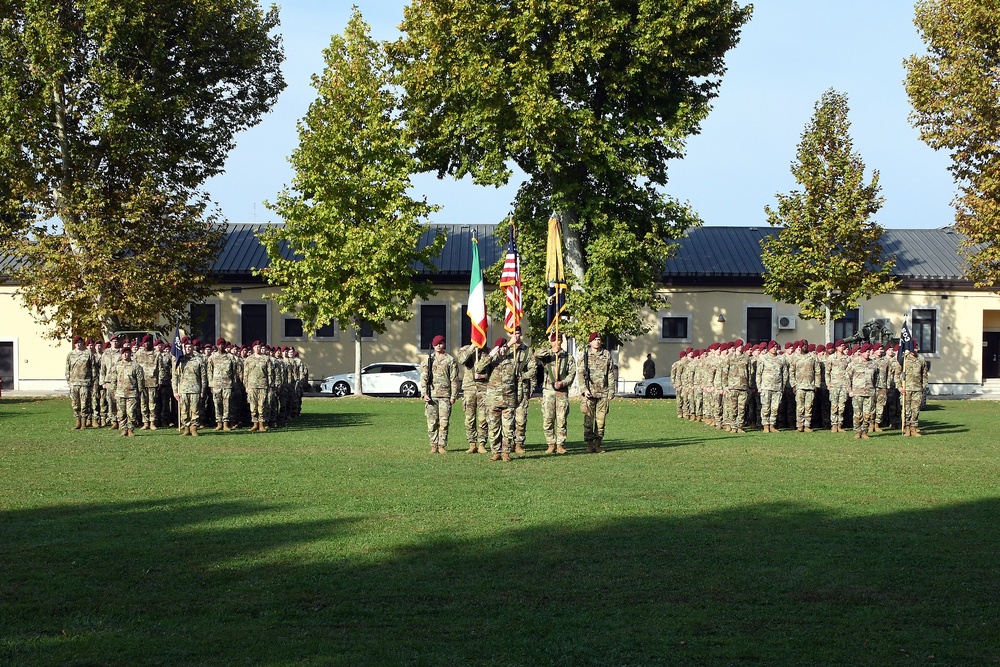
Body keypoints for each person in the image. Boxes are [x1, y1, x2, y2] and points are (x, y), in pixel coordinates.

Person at [475, 337, 519, 461]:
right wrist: (491, 354)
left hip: (508, 400)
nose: (503, 349)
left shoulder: (512, 362)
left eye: (505, 346)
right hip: (493, 401)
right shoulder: (491, 362)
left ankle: (506, 452)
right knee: (494, 428)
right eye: (501, 347)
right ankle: (496, 452)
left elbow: (517, 381)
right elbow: (478, 368)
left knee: (508, 428)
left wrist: (518, 398)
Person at [535, 332, 576, 453]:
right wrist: (551, 350)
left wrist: (563, 383)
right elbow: (536, 354)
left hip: (562, 392)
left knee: (561, 419)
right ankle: (550, 443)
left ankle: (560, 444)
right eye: (554, 341)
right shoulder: (547, 356)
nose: (556, 342)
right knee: (548, 418)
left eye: (558, 340)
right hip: (549, 391)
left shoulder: (568, 357)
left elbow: (572, 374)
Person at [419, 334, 459, 453]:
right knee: (432, 422)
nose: (438, 346)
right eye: (436, 344)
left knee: (444, 422)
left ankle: (442, 445)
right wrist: (424, 393)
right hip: (431, 395)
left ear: (444, 344)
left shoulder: (450, 360)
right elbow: (424, 377)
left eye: (440, 343)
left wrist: (453, 396)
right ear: (433, 345)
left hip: (445, 396)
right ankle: (433, 445)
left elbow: (454, 379)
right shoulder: (428, 360)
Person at [578, 331, 615, 453]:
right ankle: (589, 445)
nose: (597, 342)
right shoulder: (585, 355)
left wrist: (611, 390)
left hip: (603, 392)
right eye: (595, 340)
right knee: (588, 420)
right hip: (589, 393)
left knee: (601, 420)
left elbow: (610, 373)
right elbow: (581, 374)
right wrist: (584, 389)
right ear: (590, 342)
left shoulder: (606, 354)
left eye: (599, 340)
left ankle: (598, 444)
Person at [457, 341, 490, 454]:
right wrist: (472, 348)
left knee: (483, 418)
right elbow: (461, 360)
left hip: (483, 388)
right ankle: (472, 443)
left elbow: (493, 370)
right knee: (469, 418)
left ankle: (482, 443)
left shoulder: (488, 352)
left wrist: (484, 375)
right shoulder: (465, 349)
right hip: (469, 387)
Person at [172, 337, 208, 436]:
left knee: (195, 410)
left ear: (193, 347)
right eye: (186, 347)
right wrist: (175, 391)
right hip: (183, 389)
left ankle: (194, 429)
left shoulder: (199, 360)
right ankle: (186, 428)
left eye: (190, 347)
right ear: (184, 347)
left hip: (195, 388)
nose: (188, 348)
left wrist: (202, 389)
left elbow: (203, 377)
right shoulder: (180, 360)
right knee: (184, 410)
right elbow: (175, 376)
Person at [509, 326, 534, 454]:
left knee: (521, 418)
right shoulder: (505, 349)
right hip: (507, 390)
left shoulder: (527, 351)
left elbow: (533, 369)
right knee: (508, 418)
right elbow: (496, 363)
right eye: (513, 333)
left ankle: (519, 443)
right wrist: (509, 345)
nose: (516, 336)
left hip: (522, 389)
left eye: (518, 333)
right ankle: (508, 443)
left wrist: (522, 376)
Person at [110, 344, 145, 437]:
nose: (125, 355)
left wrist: (140, 392)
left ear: (130, 354)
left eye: (127, 353)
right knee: (121, 413)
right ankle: (124, 429)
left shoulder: (136, 366)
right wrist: (114, 392)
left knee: (131, 412)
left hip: (132, 393)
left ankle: (131, 429)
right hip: (120, 393)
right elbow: (113, 379)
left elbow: (140, 380)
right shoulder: (117, 366)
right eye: (124, 353)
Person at [208, 338, 239, 431]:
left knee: (227, 404)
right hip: (216, 384)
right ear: (217, 346)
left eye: (222, 344)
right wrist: (211, 384)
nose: (221, 346)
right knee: (217, 404)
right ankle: (219, 423)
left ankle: (226, 423)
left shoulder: (230, 357)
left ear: (225, 346)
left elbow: (234, 372)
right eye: (219, 344)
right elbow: (209, 371)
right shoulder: (212, 357)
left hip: (227, 384)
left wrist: (233, 383)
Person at [66, 336, 96, 430]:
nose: (78, 344)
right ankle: (77, 422)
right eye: (76, 343)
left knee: (84, 403)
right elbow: (67, 368)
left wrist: (93, 380)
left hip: (85, 382)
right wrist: (68, 381)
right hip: (74, 383)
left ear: (83, 343)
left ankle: (84, 423)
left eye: (80, 342)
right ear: (74, 344)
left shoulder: (88, 353)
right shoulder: (70, 354)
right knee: (75, 404)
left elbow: (93, 368)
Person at [847, 344, 877, 439]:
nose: (868, 354)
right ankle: (857, 431)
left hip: (869, 393)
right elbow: (847, 377)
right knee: (857, 414)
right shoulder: (854, 363)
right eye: (866, 352)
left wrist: (874, 389)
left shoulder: (873, 364)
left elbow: (876, 377)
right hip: (857, 392)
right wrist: (850, 390)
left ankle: (864, 431)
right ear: (862, 353)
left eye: (869, 352)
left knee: (867, 414)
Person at [756, 341, 786, 432]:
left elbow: (785, 373)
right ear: (769, 348)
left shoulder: (781, 359)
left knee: (775, 407)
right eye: (772, 347)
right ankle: (765, 425)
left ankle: (772, 425)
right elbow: (759, 373)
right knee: (766, 407)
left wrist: (783, 386)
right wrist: (759, 386)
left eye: (775, 347)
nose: (774, 348)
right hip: (766, 387)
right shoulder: (763, 358)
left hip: (777, 387)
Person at [901, 342, 929, 436]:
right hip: (906, 388)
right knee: (906, 410)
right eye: (914, 347)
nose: (916, 349)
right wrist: (899, 386)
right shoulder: (904, 359)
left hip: (917, 389)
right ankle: (907, 428)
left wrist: (924, 386)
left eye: (917, 347)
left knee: (915, 409)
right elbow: (897, 374)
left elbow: (924, 375)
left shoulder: (921, 360)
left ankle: (914, 428)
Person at [244, 341, 271, 432]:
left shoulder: (266, 359)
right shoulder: (248, 359)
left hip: (263, 385)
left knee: (262, 405)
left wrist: (269, 385)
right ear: (253, 348)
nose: (257, 349)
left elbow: (270, 373)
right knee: (253, 405)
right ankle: (255, 423)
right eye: (256, 347)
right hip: (252, 385)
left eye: (259, 347)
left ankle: (262, 424)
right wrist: (246, 385)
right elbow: (245, 373)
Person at [134, 335, 160, 429]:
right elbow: (135, 368)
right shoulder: (138, 354)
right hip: (141, 382)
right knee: (143, 403)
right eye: (145, 342)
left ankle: (152, 422)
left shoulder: (156, 354)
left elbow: (160, 368)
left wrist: (159, 381)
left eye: (149, 342)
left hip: (152, 381)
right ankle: (145, 422)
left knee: (152, 403)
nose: (147, 344)